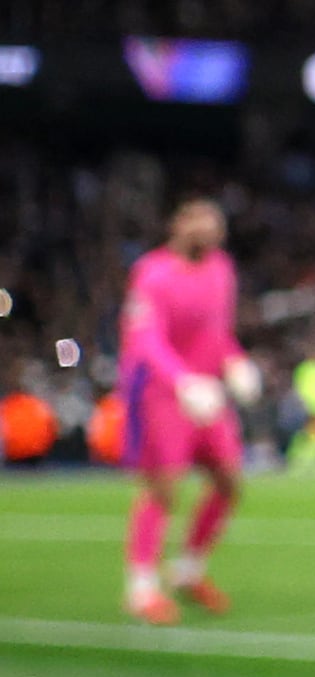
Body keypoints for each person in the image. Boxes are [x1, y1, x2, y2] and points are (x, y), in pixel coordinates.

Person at [118, 195, 254, 621]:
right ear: (177, 225)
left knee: (229, 480)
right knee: (162, 487)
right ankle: (141, 589)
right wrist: (182, 381)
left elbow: (218, 331)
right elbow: (145, 338)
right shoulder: (152, 273)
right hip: (162, 392)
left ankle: (188, 571)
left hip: (208, 392)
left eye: (214, 225)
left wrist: (234, 361)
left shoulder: (221, 270)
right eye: (198, 222)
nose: (207, 232)